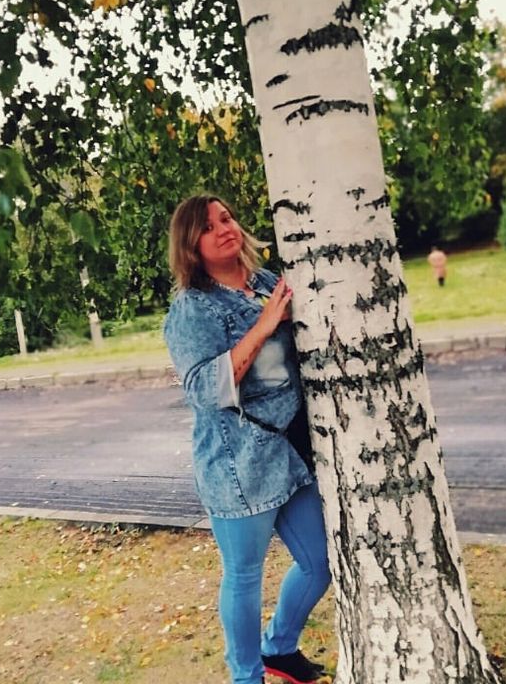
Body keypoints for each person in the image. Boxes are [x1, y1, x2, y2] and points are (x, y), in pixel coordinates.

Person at [164, 194, 331, 684]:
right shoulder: (193, 310)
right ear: (191, 246)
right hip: (237, 465)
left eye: (227, 217)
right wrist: (262, 326)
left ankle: (278, 647)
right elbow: (203, 390)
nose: (224, 229)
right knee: (243, 576)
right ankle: (245, 675)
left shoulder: (265, 283)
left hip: (289, 455)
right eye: (209, 226)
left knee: (320, 563)